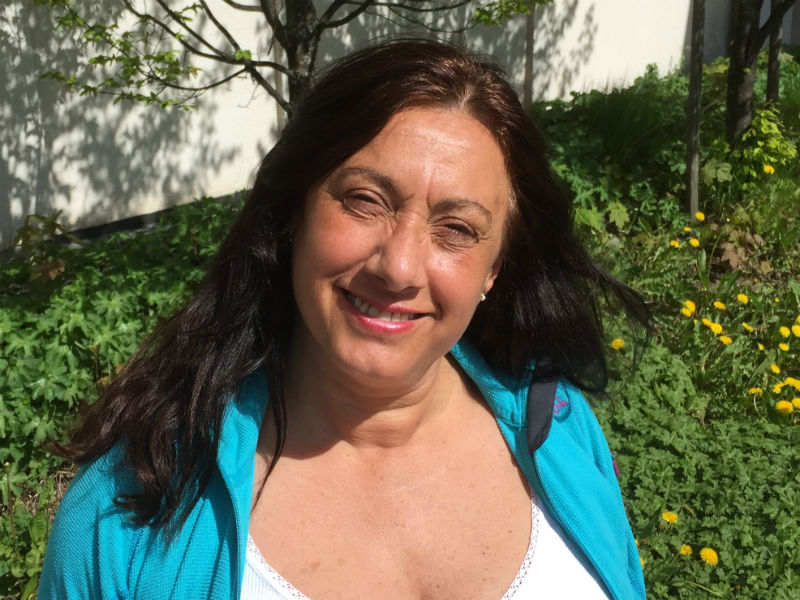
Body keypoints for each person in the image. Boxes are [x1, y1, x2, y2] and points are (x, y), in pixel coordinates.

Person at [39, 39, 650, 599]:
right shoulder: (125, 516)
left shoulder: (559, 431)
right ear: (294, 212)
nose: (400, 267)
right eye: (365, 201)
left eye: (457, 229)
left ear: (495, 269)